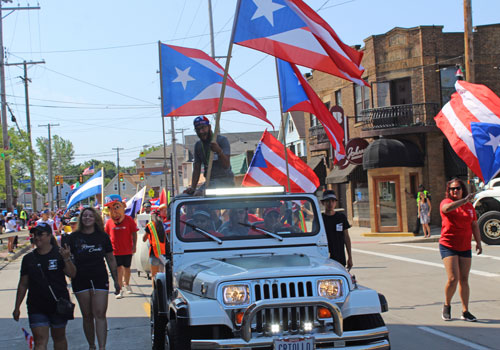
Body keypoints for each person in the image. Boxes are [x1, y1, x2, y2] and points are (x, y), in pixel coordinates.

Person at [13, 222, 76, 350]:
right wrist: (17, 307)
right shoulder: (28, 259)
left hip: (58, 304)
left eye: (40, 234)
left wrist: (67, 259)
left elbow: (72, 274)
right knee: (40, 341)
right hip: (36, 306)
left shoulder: (60, 254)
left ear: (49, 236)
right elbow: (23, 284)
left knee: (59, 338)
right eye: (34, 235)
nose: (37, 237)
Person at [64, 207, 119, 350]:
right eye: (84, 216)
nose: (87, 218)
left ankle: (102, 347)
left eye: (90, 216)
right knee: (87, 315)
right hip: (80, 279)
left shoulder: (102, 236)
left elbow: (111, 259)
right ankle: (91, 345)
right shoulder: (73, 238)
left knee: (100, 313)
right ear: (81, 219)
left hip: (99, 277)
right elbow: (66, 260)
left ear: (95, 219)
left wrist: (116, 280)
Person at [439, 178, 481, 322]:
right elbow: (446, 210)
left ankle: (465, 311)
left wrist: (479, 243)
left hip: (464, 246)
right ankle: (447, 305)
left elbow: (474, 225)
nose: (455, 191)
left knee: (464, 279)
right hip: (448, 245)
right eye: (452, 189)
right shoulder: (447, 203)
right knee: (453, 278)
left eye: (457, 188)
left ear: (463, 189)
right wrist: (463, 201)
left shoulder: (469, 207)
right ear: (448, 191)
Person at [185, 116, 234, 194]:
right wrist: (193, 187)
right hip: (210, 181)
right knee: (192, 198)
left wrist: (219, 151)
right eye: (197, 129)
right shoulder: (198, 145)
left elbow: (226, 165)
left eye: (203, 128)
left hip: (225, 181)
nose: (201, 131)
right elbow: (197, 168)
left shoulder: (221, 140)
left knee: (200, 194)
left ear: (209, 127)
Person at [103, 194, 138, 299]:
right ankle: (119, 289)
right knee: (118, 270)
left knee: (127, 268)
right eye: (110, 208)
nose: (114, 211)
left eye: (116, 207)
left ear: (123, 206)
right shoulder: (109, 223)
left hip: (127, 249)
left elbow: (134, 233)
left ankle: (127, 284)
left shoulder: (129, 220)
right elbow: (106, 236)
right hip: (115, 251)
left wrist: (134, 246)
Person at [321, 190, 353, 270]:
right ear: (323, 203)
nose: (330, 204)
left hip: (340, 256)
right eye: (328, 201)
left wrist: (350, 257)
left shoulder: (341, 217)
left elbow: (346, 237)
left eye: (333, 201)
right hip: (324, 257)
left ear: (335, 202)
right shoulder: (320, 219)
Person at [142, 211, 167, 286]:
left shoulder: (149, 225)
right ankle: (163, 293)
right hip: (163, 254)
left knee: (154, 276)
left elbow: (144, 239)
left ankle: (155, 293)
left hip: (154, 253)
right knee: (162, 275)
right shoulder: (164, 224)